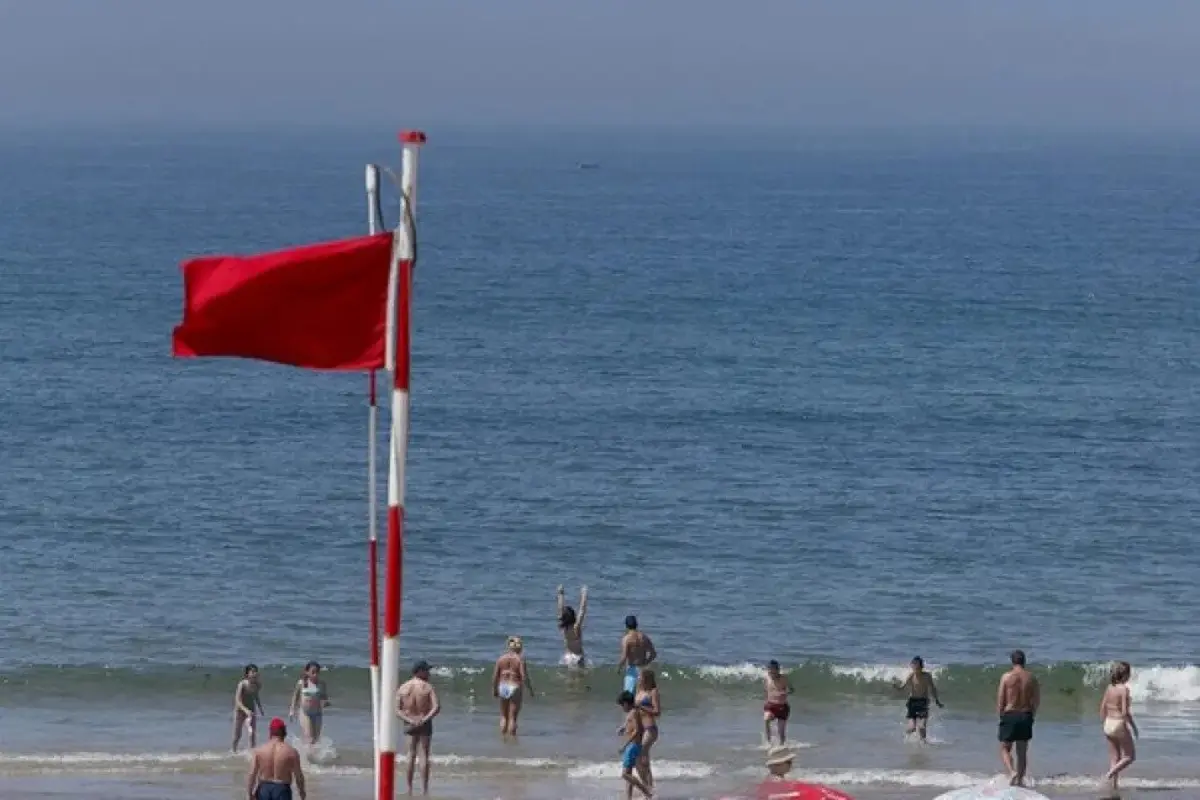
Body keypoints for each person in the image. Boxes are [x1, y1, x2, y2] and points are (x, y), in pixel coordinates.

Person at [996, 649, 1040, 786]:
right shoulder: (1031, 678)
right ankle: (1020, 780)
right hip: (1025, 715)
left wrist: (1001, 715)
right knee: (1022, 751)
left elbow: (1001, 699)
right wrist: (1032, 714)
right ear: (1024, 661)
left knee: (1004, 748)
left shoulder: (1006, 677)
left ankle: (1012, 771)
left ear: (1012, 661)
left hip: (1010, 714)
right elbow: (1036, 700)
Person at [396, 660, 441, 795]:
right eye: (427, 670)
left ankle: (409, 788)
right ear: (420, 671)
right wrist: (425, 720)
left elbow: (397, 710)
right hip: (424, 722)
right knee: (424, 756)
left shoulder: (403, 687)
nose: (429, 673)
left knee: (410, 755)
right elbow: (436, 707)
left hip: (409, 722)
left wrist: (410, 720)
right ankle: (424, 789)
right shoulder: (427, 687)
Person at [1100, 660, 1138, 794]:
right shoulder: (1124, 689)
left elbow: (1102, 707)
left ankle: (1113, 785)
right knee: (1130, 756)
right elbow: (1124, 712)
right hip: (1118, 723)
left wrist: (1104, 723)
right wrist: (1133, 727)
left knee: (1115, 758)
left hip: (1108, 722)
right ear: (1125, 675)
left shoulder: (1109, 687)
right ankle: (1109, 775)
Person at [246, 717, 306, 800]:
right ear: (284, 731)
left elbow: (252, 774)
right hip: (282, 789)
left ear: (270, 732)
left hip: (264, 789)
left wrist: (249, 793)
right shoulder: (291, 752)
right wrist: (302, 793)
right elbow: (299, 776)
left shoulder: (259, 751)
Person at [492, 636, 535, 736]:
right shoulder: (520, 659)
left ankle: (503, 738)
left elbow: (495, 676)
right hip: (514, 686)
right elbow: (524, 676)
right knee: (512, 718)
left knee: (503, 716)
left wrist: (494, 689)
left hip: (502, 686)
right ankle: (512, 741)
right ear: (520, 648)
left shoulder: (501, 658)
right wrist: (530, 690)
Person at [894, 656, 943, 742]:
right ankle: (905, 739)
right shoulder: (911, 676)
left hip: (923, 702)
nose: (915, 668)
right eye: (913, 666)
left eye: (917, 666)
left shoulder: (927, 676)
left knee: (921, 727)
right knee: (912, 728)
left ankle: (923, 744)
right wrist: (896, 687)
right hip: (912, 702)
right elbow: (902, 687)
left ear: (921, 667)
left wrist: (937, 701)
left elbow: (932, 689)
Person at [616, 691, 653, 799]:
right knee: (629, 773)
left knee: (625, 774)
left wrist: (624, 746)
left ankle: (646, 790)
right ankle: (629, 797)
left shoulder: (633, 712)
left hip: (632, 746)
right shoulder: (632, 713)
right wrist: (623, 727)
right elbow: (631, 724)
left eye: (622, 705)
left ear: (626, 703)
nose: (622, 708)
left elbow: (637, 730)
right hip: (633, 746)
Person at [288, 661, 329, 746]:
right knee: (309, 737)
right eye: (313, 672)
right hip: (305, 713)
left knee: (316, 739)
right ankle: (305, 755)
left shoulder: (322, 684)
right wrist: (292, 710)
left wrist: (325, 702)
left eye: (317, 672)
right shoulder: (301, 683)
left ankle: (311, 754)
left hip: (317, 713)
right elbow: (295, 696)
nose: (315, 674)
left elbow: (324, 697)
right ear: (307, 672)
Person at [634, 669, 661, 790]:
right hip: (639, 729)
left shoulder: (653, 692)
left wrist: (642, 707)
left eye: (640, 676)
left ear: (647, 678)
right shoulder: (638, 690)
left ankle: (649, 787)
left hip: (650, 728)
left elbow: (657, 712)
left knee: (642, 755)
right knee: (637, 758)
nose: (639, 678)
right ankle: (646, 785)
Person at [618, 615, 657, 694]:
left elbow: (624, 656)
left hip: (632, 669)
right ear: (636, 624)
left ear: (626, 626)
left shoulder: (626, 639)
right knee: (641, 695)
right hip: (643, 669)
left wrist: (619, 667)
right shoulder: (644, 637)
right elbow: (653, 654)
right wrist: (646, 662)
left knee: (628, 696)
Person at [233, 663, 266, 752]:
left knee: (252, 734)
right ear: (247, 674)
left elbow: (256, 696)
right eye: (253, 672)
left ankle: (252, 753)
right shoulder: (242, 684)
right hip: (240, 711)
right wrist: (245, 710)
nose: (255, 673)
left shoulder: (257, 685)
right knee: (237, 735)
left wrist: (260, 708)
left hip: (251, 711)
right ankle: (233, 751)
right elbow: (237, 700)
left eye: (256, 671)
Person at [556, 584, 589, 667]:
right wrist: (584, 594)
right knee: (579, 678)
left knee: (570, 677)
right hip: (578, 657)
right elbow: (582, 610)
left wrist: (560, 594)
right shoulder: (576, 627)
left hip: (568, 657)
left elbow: (560, 609)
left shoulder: (564, 628)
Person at [763, 660, 794, 745]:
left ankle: (782, 746)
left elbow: (792, 690)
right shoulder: (766, 678)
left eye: (773, 670)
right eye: (769, 669)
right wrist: (766, 701)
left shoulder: (783, 678)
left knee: (781, 731)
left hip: (782, 707)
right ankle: (768, 743)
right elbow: (766, 691)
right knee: (766, 719)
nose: (771, 672)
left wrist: (785, 693)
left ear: (778, 670)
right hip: (770, 705)